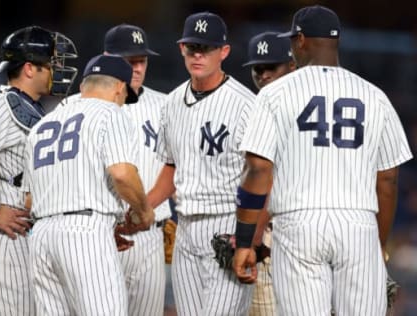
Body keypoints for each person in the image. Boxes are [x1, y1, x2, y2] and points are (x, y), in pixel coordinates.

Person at [232, 5, 413, 316]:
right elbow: (388, 180)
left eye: (292, 40)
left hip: (298, 223)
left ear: (300, 40)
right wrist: (377, 244)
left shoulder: (275, 94)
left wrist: (246, 241)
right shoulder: (374, 95)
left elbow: (259, 169)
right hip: (359, 223)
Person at [0, 25, 78, 316]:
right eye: (50, 64)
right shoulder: (3, 104)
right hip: (3, 239)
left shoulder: (31, 109)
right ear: (30, 69)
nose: (55, 71)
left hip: (18, 237)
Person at [24, 54, 155, 315]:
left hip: (40, 238)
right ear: (120, 86)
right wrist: (144, 211)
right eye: (125, 95)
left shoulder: (41, 126)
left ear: (84, 86)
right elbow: (121, 174)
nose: (123, 101)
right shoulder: (110, 113)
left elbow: (29, 200)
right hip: (85, 231)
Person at [147, 11, 256, 315]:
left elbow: (262, 176)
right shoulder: (170, 103)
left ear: (224, 52)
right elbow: (171, 167)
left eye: (206, 48)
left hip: (227, 223)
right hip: (184, 226)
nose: (197, 54)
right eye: (192, 47)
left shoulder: (246, 105)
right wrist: (144, 207)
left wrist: (251, 238)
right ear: (181, 47)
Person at [103, 23, 172, 316]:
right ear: (107, 58)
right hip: (103, 234)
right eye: (128, 61)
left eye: (141, 60)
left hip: (148, 232)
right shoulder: (83, 106)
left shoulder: (167, 105)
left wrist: (148, 207)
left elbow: (177, 166)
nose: (136, 68)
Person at [241, 31, 295, 316]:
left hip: (279, 234)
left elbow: (265, 179)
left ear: (292, 66)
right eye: (257, 68)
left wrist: (251, 237)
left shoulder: (295, 112)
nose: (262, 75)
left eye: (270, 67)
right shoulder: (254, 109)